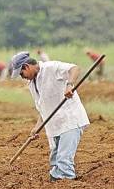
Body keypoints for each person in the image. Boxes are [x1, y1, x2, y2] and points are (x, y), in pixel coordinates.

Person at [10, 51, 89, 181]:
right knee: (54, 161)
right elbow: (43, 108)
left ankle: (67, 188)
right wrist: (37, 127)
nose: (22, 77)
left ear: (26, 66)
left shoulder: (51, 67)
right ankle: (56, 188)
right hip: (54, 126)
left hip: (69, 120)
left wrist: (69, 85)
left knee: (63, 162)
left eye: (21, 73)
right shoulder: (31, 84)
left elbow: (74, 68)